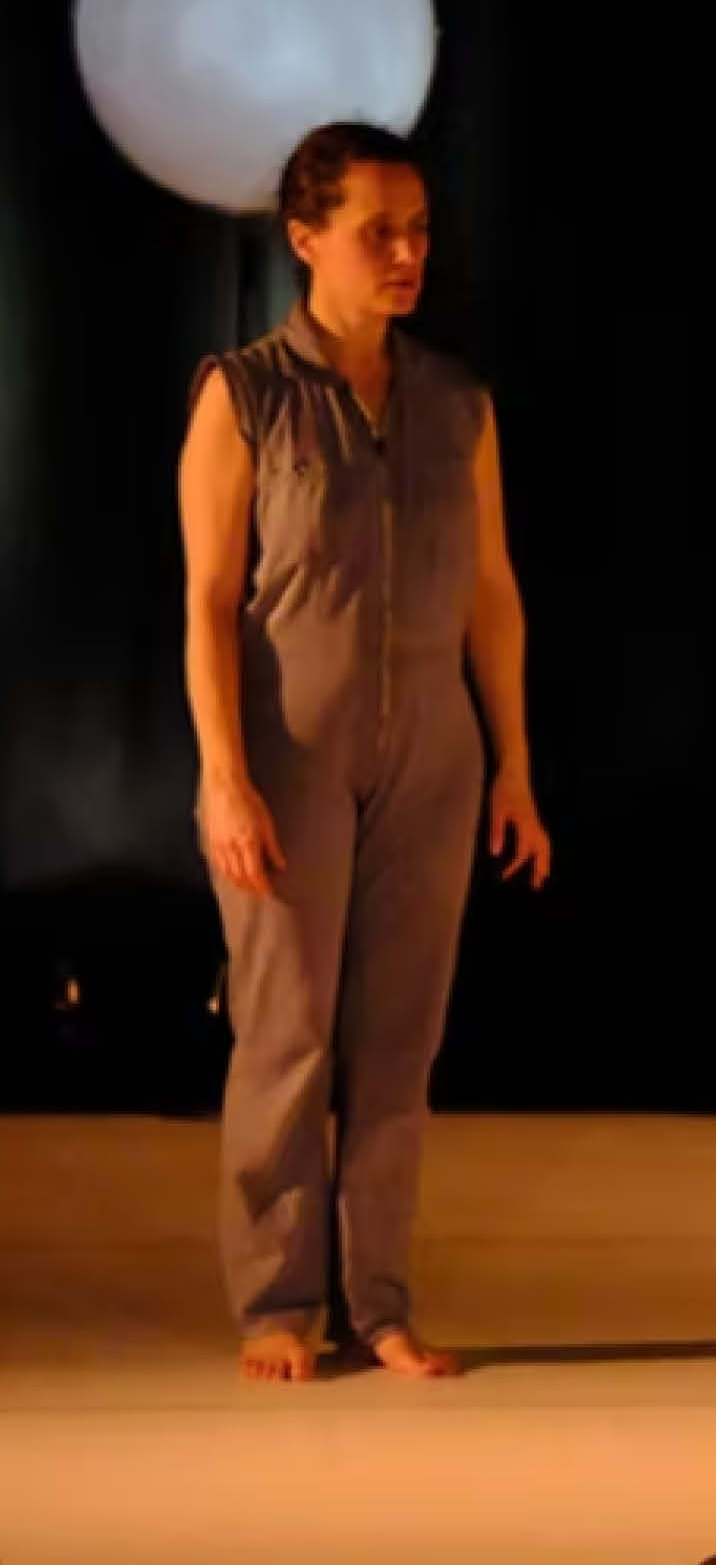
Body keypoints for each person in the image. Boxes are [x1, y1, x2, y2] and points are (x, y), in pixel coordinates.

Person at [176, 122, 551, 1384]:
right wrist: (223, 774)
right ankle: (277, 1299)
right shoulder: (245, 395)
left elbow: (492, 592)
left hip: (432, 754)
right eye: (377, 230)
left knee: (399, 1039)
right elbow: (208, 601)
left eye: (419, 230)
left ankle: (379, 1298)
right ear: (304, 237)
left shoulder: (456, 404)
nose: (406, 253)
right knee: (287, 1032)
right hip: (290, 749)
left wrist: (514, 764)